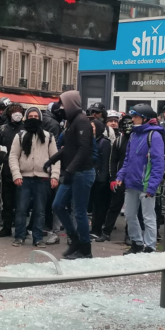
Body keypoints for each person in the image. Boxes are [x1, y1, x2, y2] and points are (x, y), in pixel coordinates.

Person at [46, 90, 95, 259]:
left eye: (63, 104)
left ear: (71, 104)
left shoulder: (82, 121)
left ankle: (85, 248)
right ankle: (75, 239)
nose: (61, 107)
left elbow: (83, 149)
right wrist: (51, 160)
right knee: (57, 205)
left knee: (79, 212)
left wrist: (69, 170)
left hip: (82, 172)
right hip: (73, 172)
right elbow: (69, 148)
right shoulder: (72, 121)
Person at [115, 104, 165, 255]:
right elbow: (127, 160)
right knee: (129, 215)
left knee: (148, 217)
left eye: (136, 117)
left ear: (145, 119)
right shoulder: (133, 135)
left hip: (146, 184)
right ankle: (137, 243)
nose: (132, 119)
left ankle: (150, 247)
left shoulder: (154, 136)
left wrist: (152, 186)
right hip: (131, 183)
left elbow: (158, 163)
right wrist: (120, 176)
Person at [8, 107, 60, 247]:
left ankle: (38, 238)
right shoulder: (20, 136)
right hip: (24, 178)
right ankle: (19, 236)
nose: (33, 119)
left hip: (42, 178)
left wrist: (54, 176)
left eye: (35, 116)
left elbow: (55, 158)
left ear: (40, 118)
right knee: (21, 209)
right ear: (26, 118)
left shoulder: (48, 137)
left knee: (40, 210)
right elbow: (13, 156)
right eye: (30, 116)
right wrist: (16, 174)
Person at [97, 114, 133, 242]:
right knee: (114, 206)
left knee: (131, 209)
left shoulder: (137, 140)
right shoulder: (119, 141)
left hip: (133, 179)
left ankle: (129, 234)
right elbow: (112, 161)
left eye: (130, 123)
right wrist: (113, 178)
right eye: (125, 124)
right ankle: (106, 232)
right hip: (120, 179)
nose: (128, 126)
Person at [0, 103, 25, 238]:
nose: (17, 114)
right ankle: (6, 226)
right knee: (7, 201)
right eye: (14, 111)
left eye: (19, 111)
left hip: (22, 169)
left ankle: (20, 228)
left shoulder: (26, 129)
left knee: (21, 202)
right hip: (7, 169)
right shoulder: (2, 129)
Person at [90, 119, 112, 239]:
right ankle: (94, 228)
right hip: (91, 178)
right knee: (94, 205)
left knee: (100, 206)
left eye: (93, 127)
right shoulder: (90, 140)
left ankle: (97, 229)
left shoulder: (104, 142)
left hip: (100, 179)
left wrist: (103, 178)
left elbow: (105, 162)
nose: (91, 129)